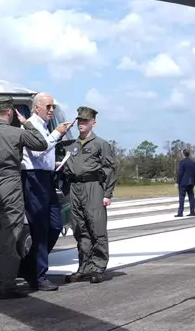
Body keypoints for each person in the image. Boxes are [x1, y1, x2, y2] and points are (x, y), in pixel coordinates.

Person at [0, 96, 48, 299]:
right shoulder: (15, 133)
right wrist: (27, 123)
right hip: (10, 185)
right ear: (10, 112)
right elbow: (41, 143)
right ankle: (7, 285)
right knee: (10, 237)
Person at [18, 92, 74, 291]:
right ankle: (39, 275)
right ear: (37, 108)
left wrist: (55, 163)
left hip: (46, 177)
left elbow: (44, 156)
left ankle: (28, 266)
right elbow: (38, 150)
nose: (51, 110)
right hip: (33, 178)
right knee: (40, 228)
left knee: (56, 225)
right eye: (48, 107)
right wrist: (57, 133)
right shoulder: (30, 127)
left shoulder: (43, 126)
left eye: (53, 107)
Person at [61, 106, 117, 284]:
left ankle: (98, 267)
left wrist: (107, 193)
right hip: (75, 188)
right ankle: (84, 266)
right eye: (80, 121)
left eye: (85, 121)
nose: (82, 124)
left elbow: (110, 169)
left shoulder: (101, 144)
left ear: (93, 123)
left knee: (97, 227)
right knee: (80, 228)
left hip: (93, 187)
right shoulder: (72, 145)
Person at [175, 149, 195, 217]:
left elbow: (180, 173)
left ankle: (180, 212)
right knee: (191, 197)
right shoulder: (193, 162)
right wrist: (194, 182)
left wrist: (177, 182)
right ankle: (192, 212)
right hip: (191, 182)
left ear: (183, 154)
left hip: (183, 182)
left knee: (181, 198)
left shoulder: (182, 162)